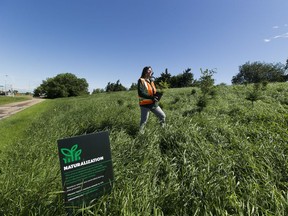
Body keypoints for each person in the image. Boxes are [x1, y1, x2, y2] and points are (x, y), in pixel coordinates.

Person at [138, 66, 166, 132]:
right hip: (145, 104)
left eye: (151, 70)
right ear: (145, 72)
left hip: (153, 103)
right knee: (144, 121)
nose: (151, 72)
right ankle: (140, 135)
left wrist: (158, 94)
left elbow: (153, 92)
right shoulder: (141, 80)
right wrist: (151, 97)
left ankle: (162, 130)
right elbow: (140, 93)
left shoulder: (151, 81)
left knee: (162, 116)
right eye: (149, 70)